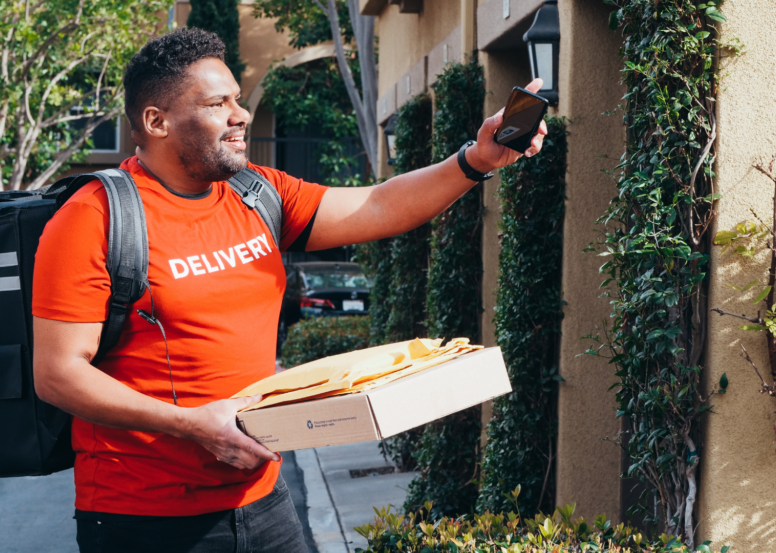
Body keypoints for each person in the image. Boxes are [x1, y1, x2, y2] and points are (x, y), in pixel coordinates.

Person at [32, 28, 547, 553]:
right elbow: (58, 374)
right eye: (218, 103)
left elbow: (379, 206)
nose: (241, 115)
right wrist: (190, 424)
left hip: (264, 501)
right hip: (147, 517)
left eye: (237, 98)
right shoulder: (95, 218)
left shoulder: (257, 193)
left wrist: (474, 161)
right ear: (155, 121)